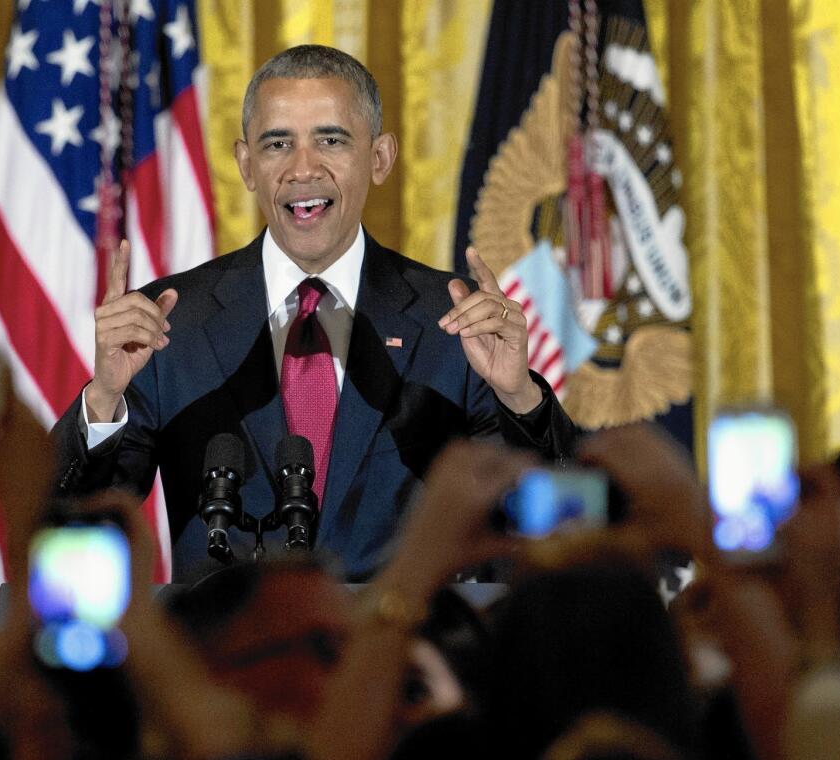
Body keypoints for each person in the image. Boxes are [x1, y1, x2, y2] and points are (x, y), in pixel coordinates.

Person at [52, 44, 576, 582]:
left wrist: (520, 398)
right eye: (278, 143)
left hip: (397, 656)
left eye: (331, 139)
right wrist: (103, 401)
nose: (303, 169)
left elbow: (563, 524)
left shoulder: (457, 324)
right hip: (222, 658)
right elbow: (68, 527)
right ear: (246, 164)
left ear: (380, 158)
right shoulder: (170, 322)